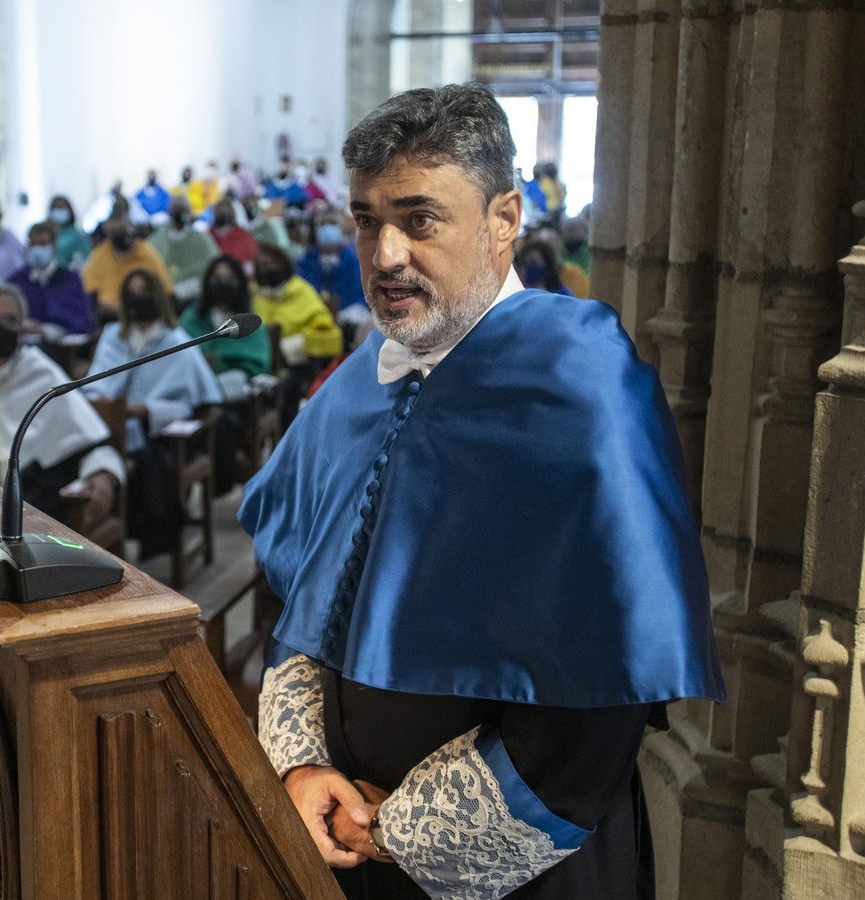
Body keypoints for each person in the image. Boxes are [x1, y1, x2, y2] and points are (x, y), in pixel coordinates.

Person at [240, 83, 724, 899]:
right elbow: (302, 605)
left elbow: (598, 702)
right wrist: (304, 764)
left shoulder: (581, 389)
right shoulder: (360, 382)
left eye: (419, 219)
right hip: (339, 841)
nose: (385, 252)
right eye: (366, 219)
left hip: (517, 861)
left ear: (505, 217)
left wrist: (398, 831)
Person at [0, 285, 123, 521]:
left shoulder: (43, 373)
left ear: (23, 327)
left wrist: (102, 473)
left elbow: (89, 443)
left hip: (28, 498)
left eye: (9, 319)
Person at [83, 270, 221, 558]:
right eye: (132, 292)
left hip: (159, 432)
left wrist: (147, 410)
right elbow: (94, 386)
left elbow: (192, 403)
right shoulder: (113, 336)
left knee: (150, 464)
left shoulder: (176, 340)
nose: (138, 299)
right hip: (112, 426)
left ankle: (152, 541)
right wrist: (107, 403)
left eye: (145, 291)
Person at [180, 256, 273, 494]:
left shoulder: (246, 320)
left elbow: (257, 359)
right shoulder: (194, 316)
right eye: (217, 278)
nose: (222, 284)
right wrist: (202, 361)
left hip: (233, 397)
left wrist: (220, 361)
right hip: (194, 391)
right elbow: (182, 351)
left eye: (229, 279)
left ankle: (220, 481)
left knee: (221, 422)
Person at [252, 243, 342, 366]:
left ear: (283, 263)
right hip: (268, 354)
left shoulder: (300, 288)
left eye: (273, 263)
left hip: (301, 353)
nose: (269, 268)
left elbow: (321, 319)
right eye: (263, 266)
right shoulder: (257, 296)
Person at [9, 222, 96, 339]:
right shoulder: (17, 280)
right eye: (33, 244)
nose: (37, 248)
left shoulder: (70, 279)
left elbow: (83, 320)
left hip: (61, 345)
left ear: (54, 246)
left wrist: (45, 329)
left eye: (43, 244)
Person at [82, 216, 173, 314]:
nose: (123, 235)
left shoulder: (145, 253)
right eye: (117, 230)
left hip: (144, 313)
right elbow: (90, 289)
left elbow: (164, 288)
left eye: (124, 229)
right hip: (108, 316)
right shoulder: (99, 256)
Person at [297, 215, 370, 325]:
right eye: (323, 224)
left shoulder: (352, 260)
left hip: (348, 311)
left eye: (332, 223)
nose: (327, 228)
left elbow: (357, 292)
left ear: (340, 229)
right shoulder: (307, 259)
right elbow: (303, 287)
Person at [148, 197, 221, 302]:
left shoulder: (201, 239)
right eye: (175, 209)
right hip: (163, 293)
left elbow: (213, 261)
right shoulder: (157, 239)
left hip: (195, 292)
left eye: (182, 209)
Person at [46, 196, 92, 270]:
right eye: (55, 208)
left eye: (61, 207)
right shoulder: (46, 233)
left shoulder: (78, 235)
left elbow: (88, 258)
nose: (58, 211)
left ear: (69, 211)